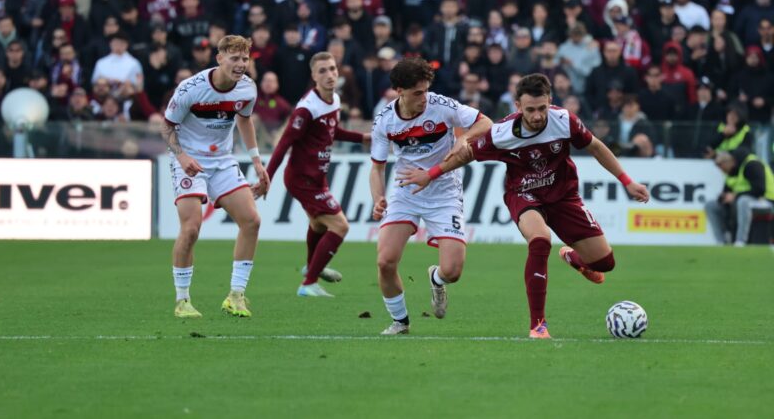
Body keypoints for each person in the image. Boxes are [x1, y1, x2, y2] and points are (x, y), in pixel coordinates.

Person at [398, 74, 649, 339]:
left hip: (564, 196)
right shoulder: (502, 133)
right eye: (530, 110)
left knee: (605, 263)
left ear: (550, 101)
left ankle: (573, 257)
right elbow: (467, 154)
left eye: (542, 108)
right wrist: (431, 174)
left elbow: (596, 147)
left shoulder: (564, 120)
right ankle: (538, 326)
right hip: (523, 194)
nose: (537, 116)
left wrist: (627, 181)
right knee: (540, 240)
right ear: (518, 106)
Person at [369, 57, 492, 335]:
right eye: (417, 93)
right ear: (399, 91)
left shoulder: (441, 106)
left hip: (444, 192)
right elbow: (376, 168)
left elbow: (485, 123)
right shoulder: (385, 121)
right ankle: (400, 322)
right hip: (406, 192)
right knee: (385, 261)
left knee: (453, 271)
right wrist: (378, 198)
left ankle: (436, 278)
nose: (424, 98)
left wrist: (463, 138)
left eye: (425, 90)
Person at [161, 35, 270, 319]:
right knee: (191, 229)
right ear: (219, 58)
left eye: (245, 59)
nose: (241, 64)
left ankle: (236, 296)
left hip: (221, 160)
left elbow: (244, 119)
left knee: (252, 220)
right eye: (234, 58)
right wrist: (182, 157)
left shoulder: (247, 88)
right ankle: (182, 300)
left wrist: (256, 161)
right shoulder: (191, 88)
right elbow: (167, 126)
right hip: (188, 159)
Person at [263, 52, 370, 297]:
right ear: (313, 76)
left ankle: (312, 267)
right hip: (301, 179)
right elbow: (284, 144)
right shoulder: (306, 109)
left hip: (317, 177)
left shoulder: (334, 100)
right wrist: (266, 177)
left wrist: (361, 138)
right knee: (340, 226)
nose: (329, 74)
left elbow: (331, 132)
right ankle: (309, 282)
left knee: (318, 224)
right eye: (322, 71)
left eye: (332, 69)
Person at [706, 149, 774, 246]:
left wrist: (735, 196)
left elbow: (760, 189)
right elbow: (726, 192)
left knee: (743, 201)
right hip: (748, 203)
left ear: (730, 161)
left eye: (721, 165)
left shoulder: (752, 164)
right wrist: (723, 198)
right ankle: (721, 242)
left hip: (767, 201)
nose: (720, 169)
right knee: (711, 205)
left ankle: (740, 241)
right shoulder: (730, 172)